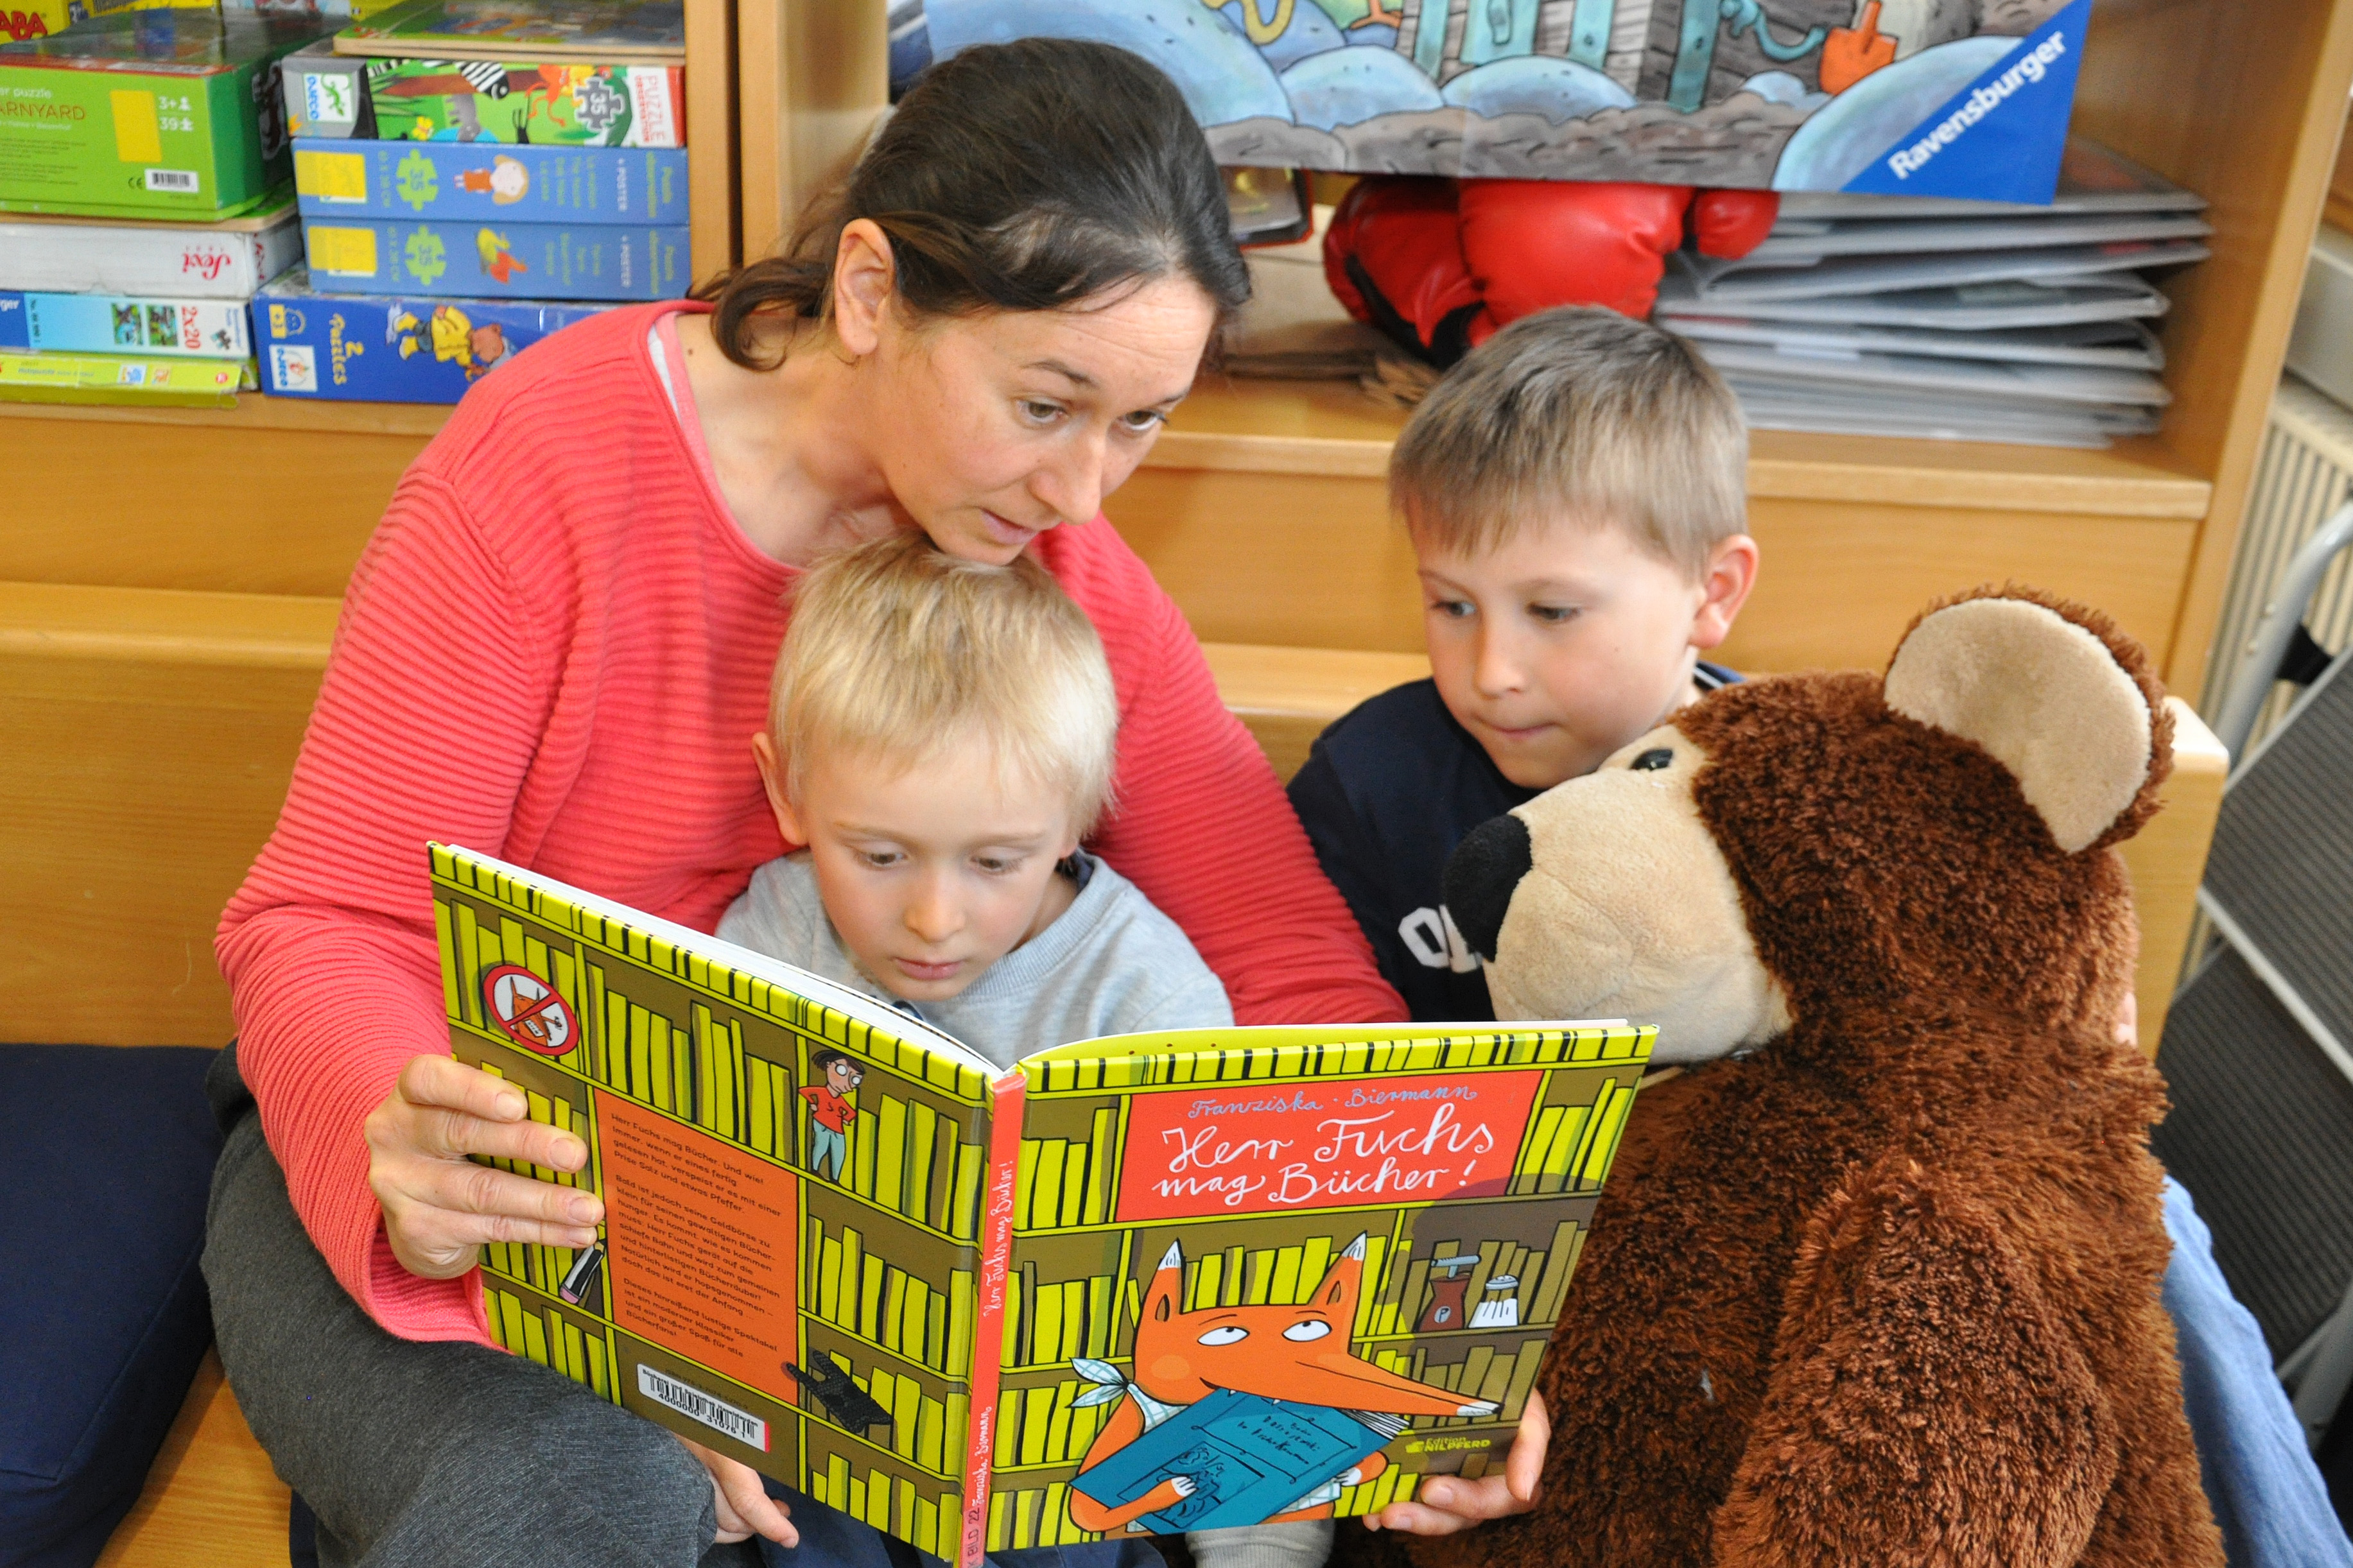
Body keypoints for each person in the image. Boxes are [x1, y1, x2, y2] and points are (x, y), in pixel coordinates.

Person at [202, 38, 1543, 1568]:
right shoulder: (543, 470)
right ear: (865, 294)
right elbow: (326, 920)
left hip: (799, 1256)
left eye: (1140, 422)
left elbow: (1284, 964)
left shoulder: (1053, 567)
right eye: (1043, 404)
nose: (1082, 491)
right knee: (591, 1494)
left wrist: (1440, 1327)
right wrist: (407, 1143)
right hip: (459, 1178)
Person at [718, 535, 1324, 1568]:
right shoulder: (774, 930)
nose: (934, 915)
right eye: (878, 854)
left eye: (996, 861)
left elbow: (1236, 1305)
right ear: (789, 794)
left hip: (1051, 1451)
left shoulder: (1147, 996)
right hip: (833, 1403)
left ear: (1076, 819)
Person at [1286, 307, 1756, 1021]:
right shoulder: (1368, 784)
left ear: (1712, 592)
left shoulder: (1781, 794)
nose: (1491, 673)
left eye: (1551, 611)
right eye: (1453, 606)